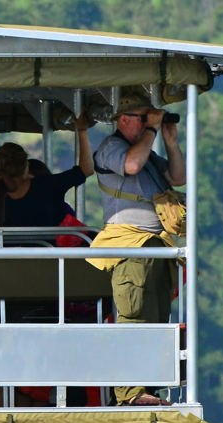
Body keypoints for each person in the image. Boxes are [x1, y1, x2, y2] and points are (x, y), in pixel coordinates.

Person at [89, 93, 184, 405]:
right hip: (129, 246)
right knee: (133, 316)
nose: (149, 124)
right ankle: (129, 392)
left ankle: (149, 388)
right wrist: (152, 132)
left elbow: (178, 177)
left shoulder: (146, 152)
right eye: (143, 118)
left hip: (155, 246)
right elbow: (131, 165)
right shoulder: (111, 148)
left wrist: (168, 139)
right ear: (123, 119)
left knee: (156, 318)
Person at [0, 118, 95, 239]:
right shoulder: (46, 186)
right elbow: (86, 169)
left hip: (14, 255)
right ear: (26, 168)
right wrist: (82, 131)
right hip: (54, 254)